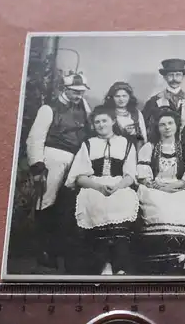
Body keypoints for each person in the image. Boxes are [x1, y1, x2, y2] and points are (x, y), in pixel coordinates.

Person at [26, 73, 92, 268]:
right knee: (46, 202)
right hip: (53, 156)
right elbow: (35, 138)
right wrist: (38, 166)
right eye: (74, 91)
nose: (78, 95)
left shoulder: (83, 107)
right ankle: (43, 252)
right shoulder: (49, 108)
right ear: (64, 89)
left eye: (81, 92)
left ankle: (58, 251)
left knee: (66, 205)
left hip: (75, 159)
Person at [64, 105, 139, 275]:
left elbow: (130, 176)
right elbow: (80, 177)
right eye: (97, 122)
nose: (101, 124)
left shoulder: (126, 143)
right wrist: (99, 187)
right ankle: (104, 264)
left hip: (119, 185)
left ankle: (119, 264)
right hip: (94, 185)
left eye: (104, 120)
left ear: (113, 121)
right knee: (95, 201)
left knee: (122, 200)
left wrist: (117, 187)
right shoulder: (88, 144)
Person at [136, 108, 185, 274]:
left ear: (177, 126)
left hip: (178, 186)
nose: (167, 127)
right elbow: (143, 174)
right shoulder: (149, 147)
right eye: (162, 124)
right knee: (159, 207)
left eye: (170, 123)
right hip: (154, 187)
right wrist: (156, 185)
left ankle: (181, 254)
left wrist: (174, 186)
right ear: (157, 128)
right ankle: (160, 257)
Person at [142, 58, 185, 147]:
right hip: (162, 149)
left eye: (178, 75)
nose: (174, 79)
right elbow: (145, 128)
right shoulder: (154, 102)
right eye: (170, 75)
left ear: (183, 77)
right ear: (165, 77)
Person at [103, 81, 147, 152]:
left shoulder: (136, 113)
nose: (121, 99)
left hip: (133, 152)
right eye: (117, 96)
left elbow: (143, 138)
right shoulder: (106, 113)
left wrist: (136, 133)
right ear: (112, 98)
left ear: (129, 97)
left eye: (124, 96)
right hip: (112, 151)